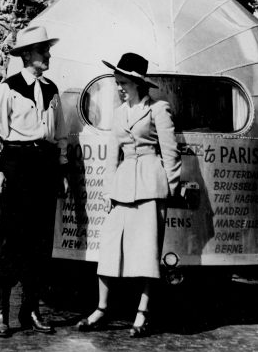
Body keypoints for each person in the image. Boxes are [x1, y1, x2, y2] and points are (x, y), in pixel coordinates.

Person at [77, 52, 181, 337]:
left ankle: (142, 314)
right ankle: (101, 309)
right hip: (122, 186)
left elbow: (170, 153)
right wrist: (109, 191)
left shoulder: (158, 109)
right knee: (110, 248)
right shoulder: (119, 113)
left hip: (151, 184)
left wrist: (170, 188)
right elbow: (113, 155)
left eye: (123, 83)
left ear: (138, 83)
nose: (119, 88)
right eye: (117, 83)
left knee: (147, 251)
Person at [0, 25, 68, 337]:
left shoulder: (52, 89)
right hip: (17, 167)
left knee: (41, 243)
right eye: (43, 50)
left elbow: (60, 135)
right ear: (27, 54)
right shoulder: (9, 88)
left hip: (45, 168)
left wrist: (61, 171)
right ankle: (1, 311)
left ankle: (30, 309)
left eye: (47, 49)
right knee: (12, 240)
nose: (48, 55)